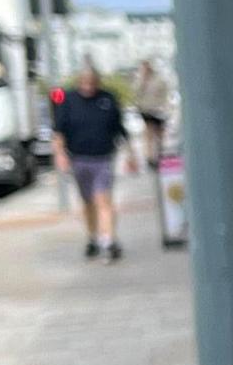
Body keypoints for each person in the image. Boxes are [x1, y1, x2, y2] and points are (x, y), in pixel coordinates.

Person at [49, 63, 128, 262]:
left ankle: (108, 240)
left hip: (103, 158)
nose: (88, 87)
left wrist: (132, 154)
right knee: (88, 202)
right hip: (79, 159)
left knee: (103, 200)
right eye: (84, 82)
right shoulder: (68, 100)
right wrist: (60, 155)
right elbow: (58, 131)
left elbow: (119, 129)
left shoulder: (107, 99)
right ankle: (93, 236)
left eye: (91, 82)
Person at [129, 56, 177, 169]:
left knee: (159, 134)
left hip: (159, 110)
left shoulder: (159, 79)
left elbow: (165, 93)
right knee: (148, 134)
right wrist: (142, 81)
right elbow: (135, 93)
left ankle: (159, 153)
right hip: (146, 110)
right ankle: (150, 158)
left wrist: (165, 107)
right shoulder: (140, 80)